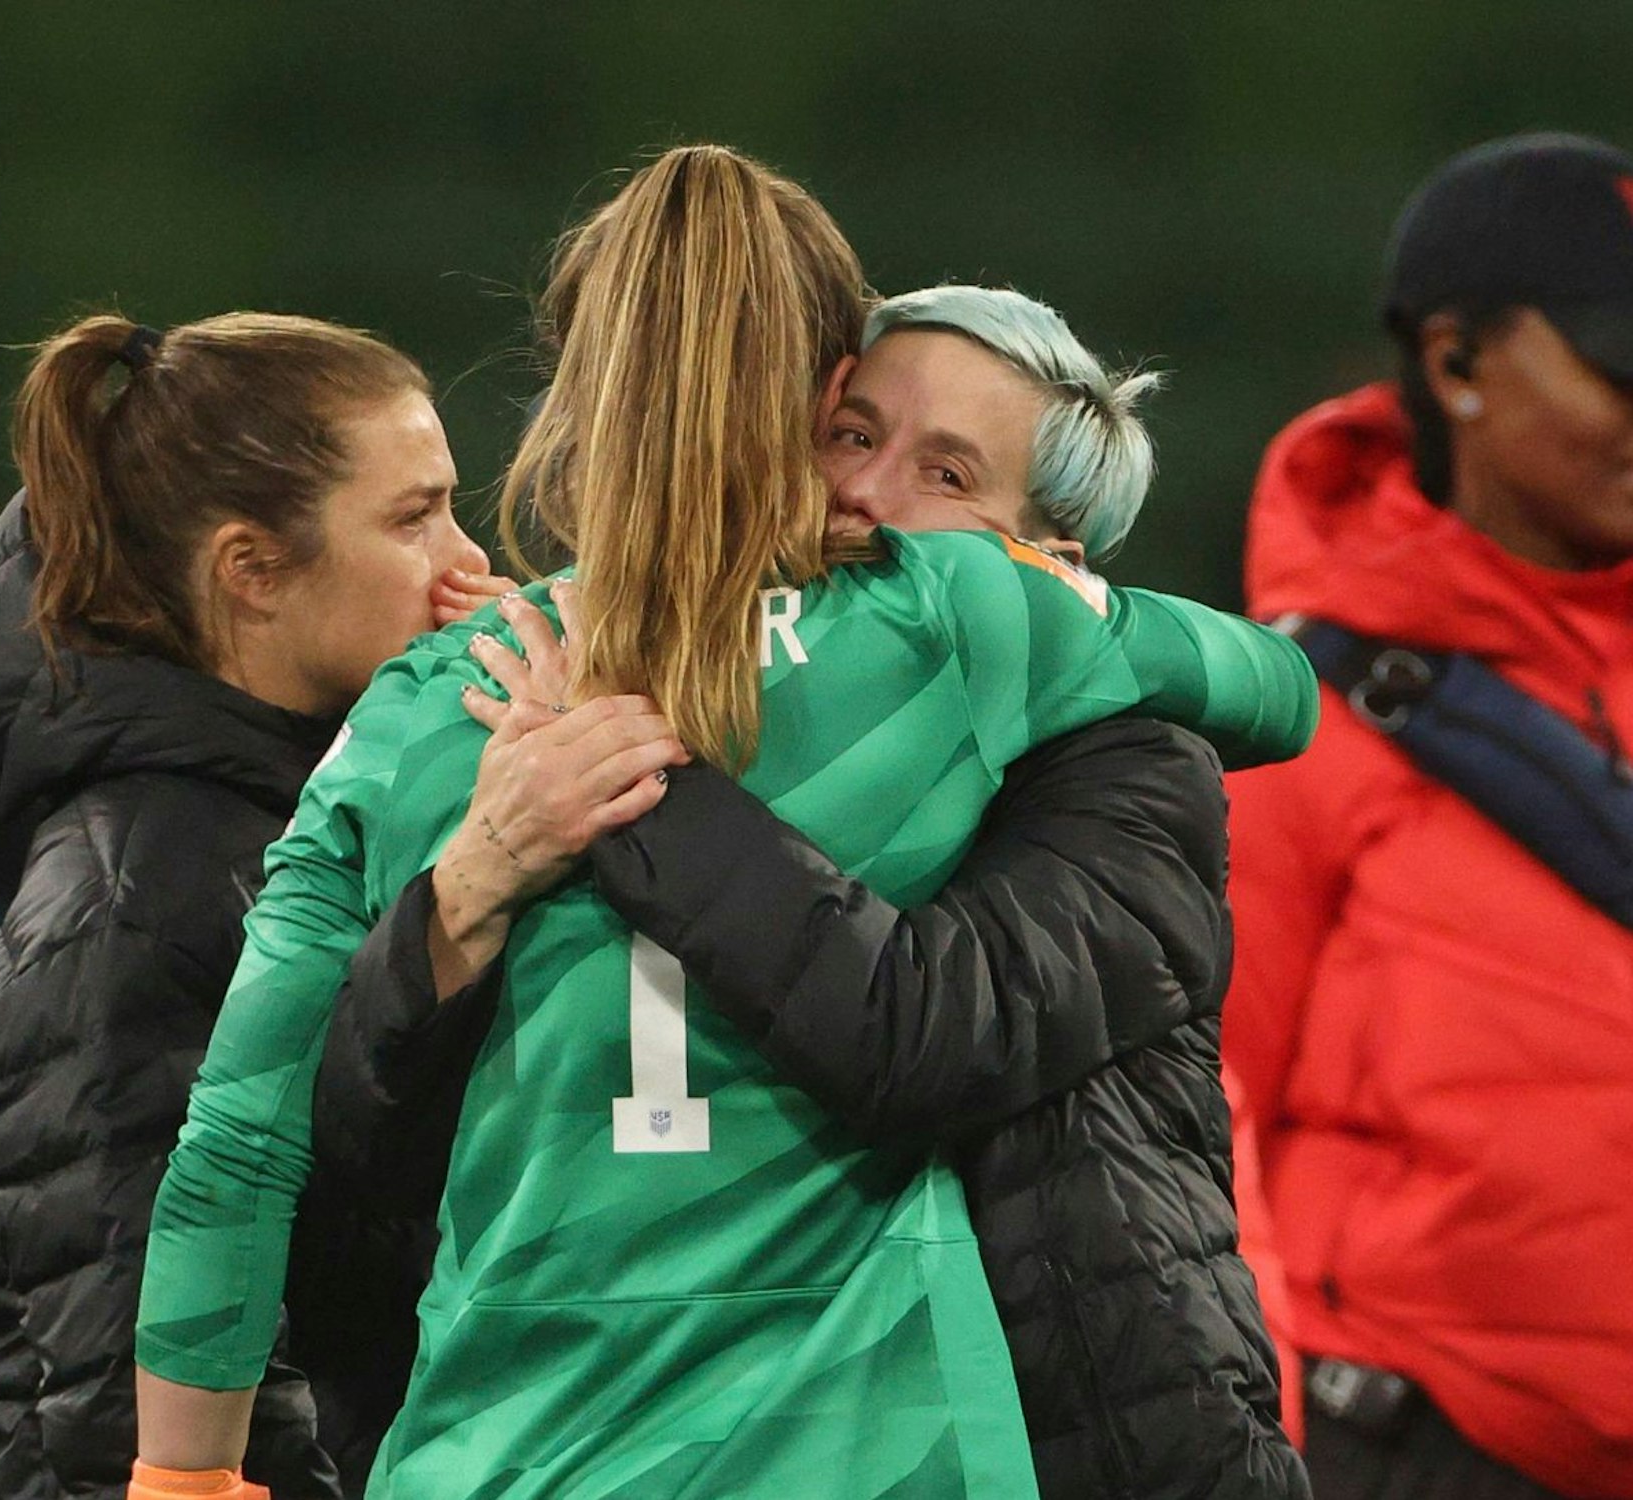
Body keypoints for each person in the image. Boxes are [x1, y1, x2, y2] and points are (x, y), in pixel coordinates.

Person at [134, 146, 1319, 1500]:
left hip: (514, 1455)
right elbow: (1278, 690)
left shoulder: (432, 703)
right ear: (827, 394)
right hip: (877, 1457)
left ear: (575, 389)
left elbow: (232, 1149)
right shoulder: (962, 623)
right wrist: (1051, 596)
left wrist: (187, 1475)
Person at [0, 309, 515, 1500]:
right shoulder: (134, 902)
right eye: (410, 519)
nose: (470, 565)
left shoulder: (309, 825)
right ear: (250, 572)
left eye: (450, 502)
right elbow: (128, 1415)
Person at [1222, 131, 1633, 1500]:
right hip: (1410, 1450)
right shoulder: (1294, 710)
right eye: (1621, 363)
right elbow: (1191, 1121)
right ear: (1455, 365)